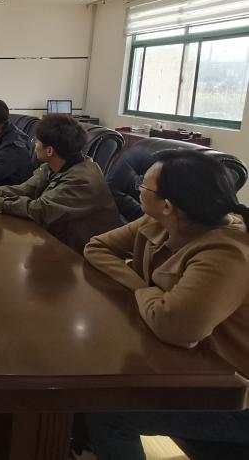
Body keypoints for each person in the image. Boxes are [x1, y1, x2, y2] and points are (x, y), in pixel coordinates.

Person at [77, 150, 249, 460]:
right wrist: (144, 288)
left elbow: (177, 328)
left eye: (143, 184)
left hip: (233, 393)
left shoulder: (226, 252)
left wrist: (148, 293)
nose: (138, 188)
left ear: (167, 204)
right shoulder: (160, 221)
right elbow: (97, 247)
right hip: (187, 366)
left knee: (108, 409)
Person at [0, 114, 120, 252]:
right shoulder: (55, 164)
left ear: (49, 150)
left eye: (37, 141)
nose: (34, 145)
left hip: (82, 252)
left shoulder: (82, 180)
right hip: (58, 238)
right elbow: (25, 189)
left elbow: (40, 210)